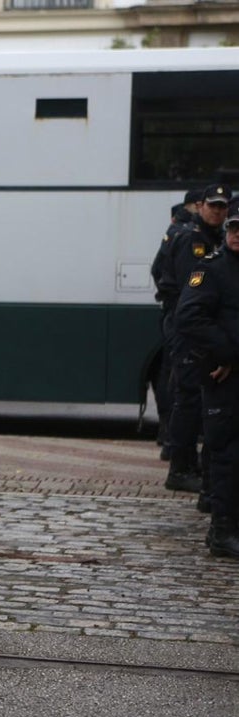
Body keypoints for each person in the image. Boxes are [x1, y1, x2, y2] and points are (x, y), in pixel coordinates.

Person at [173, 196, 239, 560]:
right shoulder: (212, 269)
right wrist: (227, 353)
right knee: (226, 454)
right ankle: (222, 530)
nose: (237, 234)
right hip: (224, 377)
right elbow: (189, 318)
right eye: (234, 228)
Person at [159, 184, 231, 494]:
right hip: (187, 331)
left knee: (195, 398)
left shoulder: (213, 238)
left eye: (222, 206)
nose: (217, 211)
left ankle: (190, 463)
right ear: (200, 206)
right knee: (187, 398)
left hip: (196, 331)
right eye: (212, 205)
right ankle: (180, 468)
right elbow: (194, 294)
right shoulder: (192, 239)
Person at [151, 187, 204, 461]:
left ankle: (170, 437)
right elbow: (189, 283)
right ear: (197, 206)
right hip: (182, 316)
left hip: (174, 312)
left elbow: (157, 270)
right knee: (181, 382)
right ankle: (175, 445)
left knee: (173, 376)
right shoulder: (188, 235)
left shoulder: (177, 231)